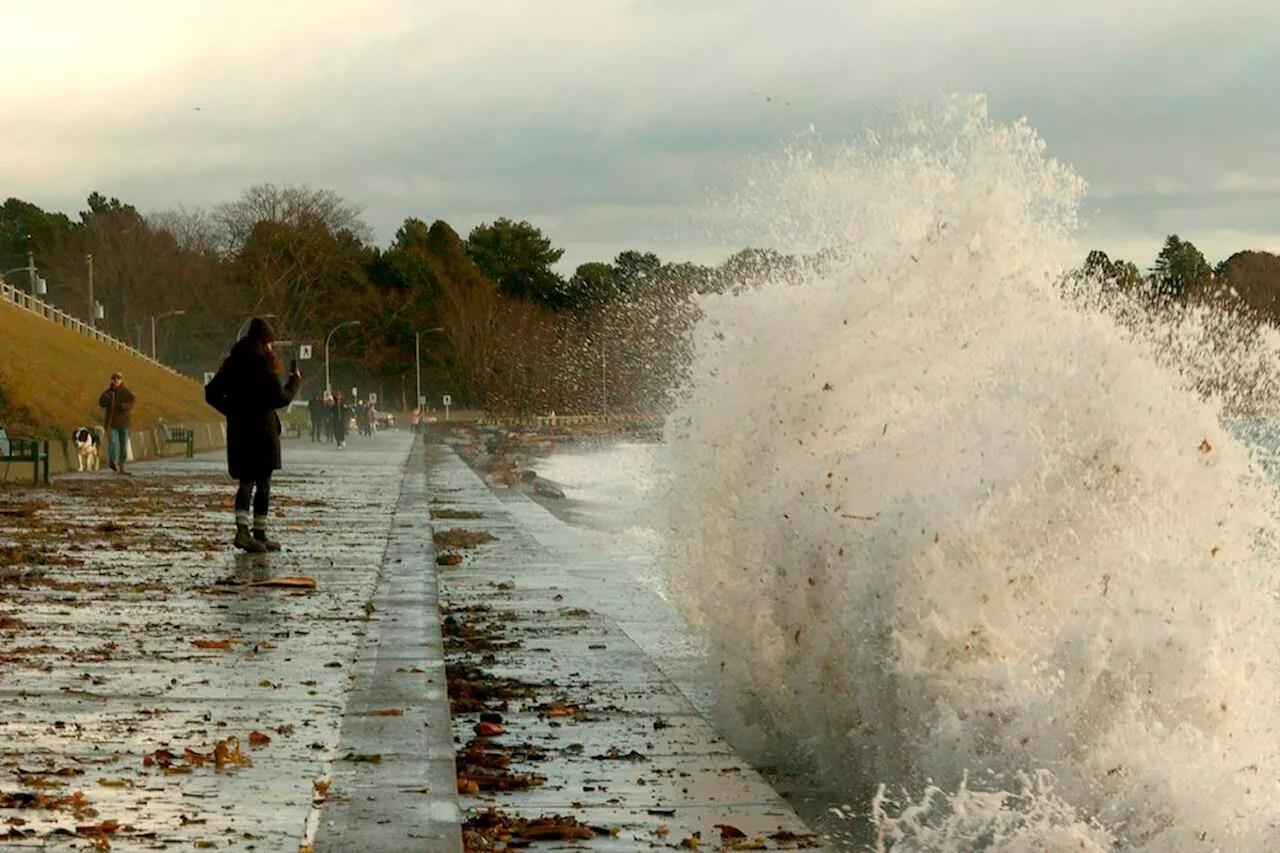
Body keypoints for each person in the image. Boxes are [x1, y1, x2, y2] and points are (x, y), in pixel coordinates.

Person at [203, 317, 301, 553]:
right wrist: (294, 382)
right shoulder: (262, 363)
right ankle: (257, 533)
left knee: (246, 481)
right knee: (263, 484)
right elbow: (280, 398)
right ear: (266, 341)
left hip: (240, 430)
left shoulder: (232, 362)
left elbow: (211, 393)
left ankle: (246, 532)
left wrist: (233, 411)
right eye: (270, 343)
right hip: (262, 431)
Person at [98, 371, 135, 476]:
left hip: (124, 423)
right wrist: (106, 399)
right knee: (112, 443)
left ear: (121, 380)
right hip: (112, 423)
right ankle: (112, 461)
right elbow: (101, 403)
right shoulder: (108, 393)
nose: (116, 381)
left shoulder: (126, 392)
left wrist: (125, 406)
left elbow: (132, 401)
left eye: (118, 379)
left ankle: (122, 466)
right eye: (114, 379)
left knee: (123, 446)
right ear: (112, 380)